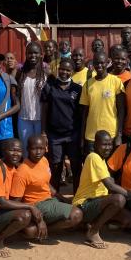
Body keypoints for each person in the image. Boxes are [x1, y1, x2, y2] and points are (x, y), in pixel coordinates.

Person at [0, 139, 43, 257]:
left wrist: (40, 219)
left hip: (3, 212)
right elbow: (1, 202)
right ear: (4, 151)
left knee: (32, 231)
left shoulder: (14, 169)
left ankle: (1, 232)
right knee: (25, 215)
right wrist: (30, 207)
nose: (16, 154)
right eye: (12, 150)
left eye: (18, 151)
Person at [73, 130, 131, 249]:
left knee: (130, 220)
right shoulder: (93, 157)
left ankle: (92, 223)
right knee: (119, 199)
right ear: (95, 145)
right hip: (84, 204)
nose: (108, 147)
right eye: (104, 144)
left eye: (109, 144)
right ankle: (93, 231)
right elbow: (110, 186)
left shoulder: (102, 160)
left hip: (99, 203)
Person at [10, 136, 83, 236]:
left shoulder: (44, 160)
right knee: (76, 215)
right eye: (34, 149)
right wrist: (38, 218)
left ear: (46, 148)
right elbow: (15, 202)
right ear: (27, 149)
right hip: (36, 205)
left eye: (41, 148)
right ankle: (40, 230)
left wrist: (62, 198)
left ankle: (39, 230)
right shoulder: (22, 171)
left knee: (76, 211)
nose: (38, 152)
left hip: (49, 201)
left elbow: (46, 184)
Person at [41, 59, 83, 193]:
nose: (64, 72)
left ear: (72, 71)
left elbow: (81, 114)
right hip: (54, 135)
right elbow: (44, 111)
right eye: (62, 69)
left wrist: (81, 135)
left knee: (76, 167)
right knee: (56, 167)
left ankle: (77, 197)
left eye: (68, 70)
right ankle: (55, 198)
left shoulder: (77, 89)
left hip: (73, 135)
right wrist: (43, 132)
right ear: (58, 69)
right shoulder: (49, 86)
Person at [80, 52, 125, 153]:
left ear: (107, 62)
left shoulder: (116, 82)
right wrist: (82, 137)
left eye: (102, 63)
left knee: (110, 168)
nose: (99, 66)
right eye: (96, 63)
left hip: (111, 135)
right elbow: (84, 114)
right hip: (91, 137)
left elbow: (121, 111)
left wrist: (119, 134)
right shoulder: (87, 85)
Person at [16, 42, 47, 156]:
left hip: (41, 120)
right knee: (25, 150)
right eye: (30, 53)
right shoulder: (20, 73)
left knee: (40, 150)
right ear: (26, 54)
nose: (33, 55)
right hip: (23, 119)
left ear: (41, 55)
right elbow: (16, 95)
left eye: (36, 53)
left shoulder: (46, 73)